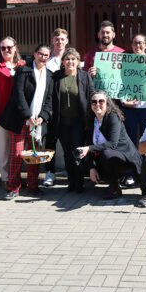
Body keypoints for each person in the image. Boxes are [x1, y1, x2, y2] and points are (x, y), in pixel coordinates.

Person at [3, 43, 55, 199]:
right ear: (34, 53)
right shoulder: (23, 70)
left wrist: (42, 117)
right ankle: (13, 187)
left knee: (34, 156)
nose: (42, 57)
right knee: (16, 155)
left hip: (37, 124)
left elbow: (49, 100)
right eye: (40, 54)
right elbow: (18, 94)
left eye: (46, 55)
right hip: (21, 120)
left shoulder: (50, 75)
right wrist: (27, 115)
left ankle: (33, 186)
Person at [77, 91, 141, 200]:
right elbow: (88, 144)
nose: (97, 104)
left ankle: (115, 187)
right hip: (105, 157)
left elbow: (112, 143)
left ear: (107, 104)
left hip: (125, 159)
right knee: (79, 155)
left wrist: (89, 149)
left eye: (101, 101)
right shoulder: (91, 120)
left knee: (106, 153)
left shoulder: (112, 117)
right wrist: (91, 168)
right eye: (94, 102)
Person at [51, 47, 95, 192]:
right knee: (66, 152)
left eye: (73, 59)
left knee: (77, 151)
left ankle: (79, 182)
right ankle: (71, 181)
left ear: (78, 61)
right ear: (63, 61)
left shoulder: (84, 76)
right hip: (62, 122)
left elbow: (91, 94)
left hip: (78, 121)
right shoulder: (56, 77)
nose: (70, 62)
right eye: (67, 59)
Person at [0, 36, 25, 191]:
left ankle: (17, 177)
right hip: (1, 115)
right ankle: (5, 178)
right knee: (3, 149)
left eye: (9, 47)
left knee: (18, 150)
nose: (7, 50)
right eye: (3, 48)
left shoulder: (23, 65)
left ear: (15, 47)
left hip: (20, 115)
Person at [120, 34, 146, 153]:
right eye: (135, 43)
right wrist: (124, 101)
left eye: (140, 43)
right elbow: (121, 83)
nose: (137, 46)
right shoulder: (125, 62)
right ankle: (132, 167)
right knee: (130, 137)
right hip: (129, 106)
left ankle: (145, 165)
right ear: (131, 45)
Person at [43, 28, 69, 187]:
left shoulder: (72, 59)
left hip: (68, 109)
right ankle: (49, 172)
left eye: (62, 39)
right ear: (52, 41)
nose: (59, 42)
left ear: (67, 41)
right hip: (52, 109)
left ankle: (70, 170)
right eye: (57, 39)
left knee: (69, 143)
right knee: (50, 142)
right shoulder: (47, 62)